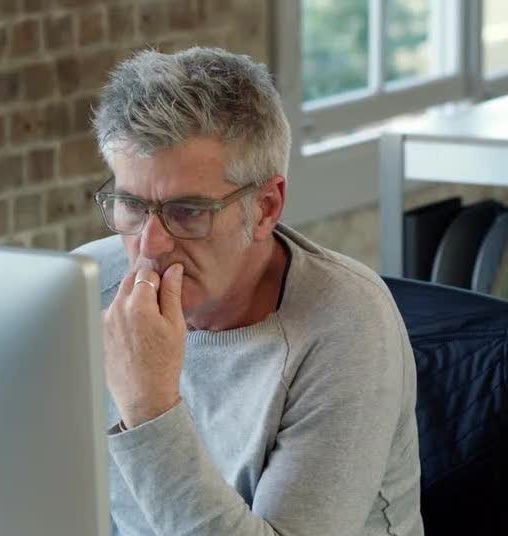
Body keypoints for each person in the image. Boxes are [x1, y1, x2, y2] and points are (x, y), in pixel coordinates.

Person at [73, 47, 424, 535]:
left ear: (265, 207)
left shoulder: (348, 327)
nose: (150, 245)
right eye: (131, 205)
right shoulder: (87, 284)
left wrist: (149, 407)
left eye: (187, 212)